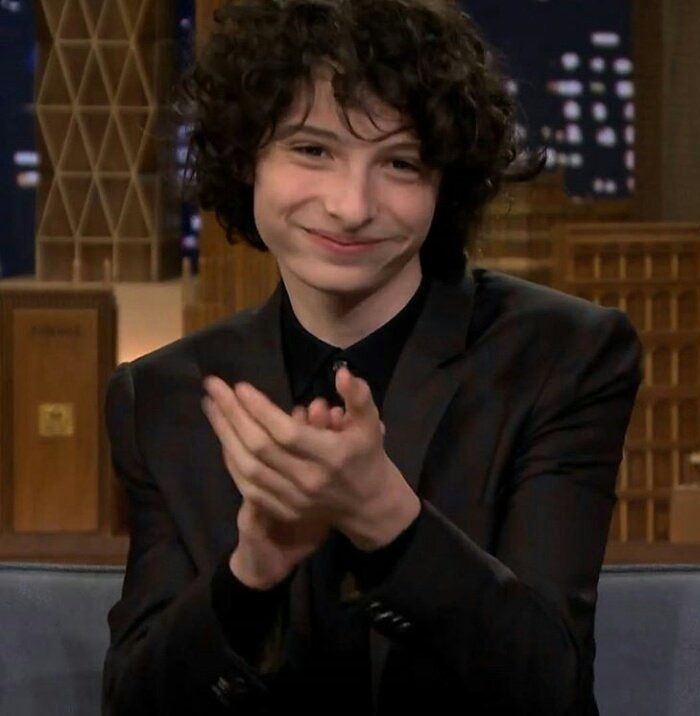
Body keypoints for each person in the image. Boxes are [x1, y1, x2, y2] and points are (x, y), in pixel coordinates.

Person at [102, 0, 642, 713]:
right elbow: (134, 702)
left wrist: (386, 517)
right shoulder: (163, 395)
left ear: (446, 183)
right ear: (246, 157)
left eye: (400, 162)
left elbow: (551, 689)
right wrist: (249, 575)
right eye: (312, 150)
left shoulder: (560, 355)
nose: (351, 206)